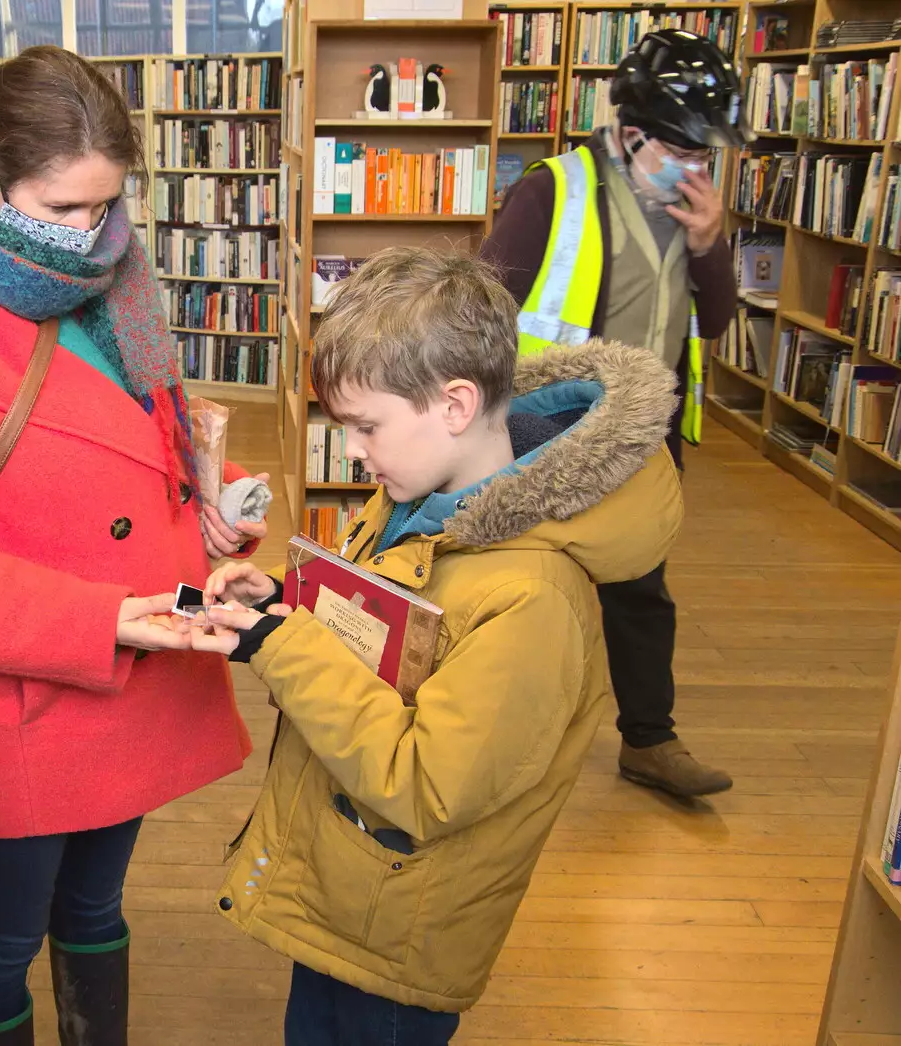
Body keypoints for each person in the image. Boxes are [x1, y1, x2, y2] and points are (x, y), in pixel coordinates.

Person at [0, 45, 267, 1046]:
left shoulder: (118, 275)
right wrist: (99, 615)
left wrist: (207, 517)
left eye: (105, 207)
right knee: (0, 929)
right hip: (20, 686)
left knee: (94, 907)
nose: (89, 235)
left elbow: (137, 438)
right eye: (62, 208)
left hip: (144, 658)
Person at [192, 248, 683, 1045]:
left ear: (455, 404)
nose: (352, 451)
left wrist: (284, 649)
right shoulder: (412, 499)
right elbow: (381, 640)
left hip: (400, 928)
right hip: (343, 886)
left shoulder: (532, 603)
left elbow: (423, 783)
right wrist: (284, 605)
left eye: (366, 426)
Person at [479, 27, 743, 798]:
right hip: (550, 428)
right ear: (633, 136)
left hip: (646, 436)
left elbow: (717, 321)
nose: (696, 169)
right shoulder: (552, 189)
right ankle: (503, 743)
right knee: (529, 590)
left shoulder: (692, 214)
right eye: (683, 151)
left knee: (641, 588)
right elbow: (488, 308)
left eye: (705, 155)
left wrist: (709, 243)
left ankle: (650, 741)